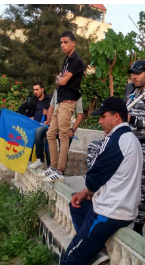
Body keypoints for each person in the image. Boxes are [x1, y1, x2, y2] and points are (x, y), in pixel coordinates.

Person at [18, 97, 142, 265]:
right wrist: (85, 192)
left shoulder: (118, 139)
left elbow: (95, 176)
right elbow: (104, 179)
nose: (100, 122)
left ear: (116, 116)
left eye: (103, 117)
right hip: (117, 207)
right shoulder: (130, 138)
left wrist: (89, 188)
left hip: (109, 214)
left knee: (71, 258)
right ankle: (94, 251)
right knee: (76, 203)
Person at [85, 61, 145, 237]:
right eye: (132, 73)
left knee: (141, 187)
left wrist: (131, 118)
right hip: (125, 144)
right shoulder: (132, 94)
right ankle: (100, 201)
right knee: (94, 149)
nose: (134, 76)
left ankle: (138, 229)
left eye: (138, 73)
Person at [44, 30, 85, 182]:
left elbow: (62, 81)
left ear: (73, 43)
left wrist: (59, 79)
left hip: (68, 103)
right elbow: (59, 80)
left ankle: (60, 171)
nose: (62, 45)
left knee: (63, 136)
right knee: (50, 134)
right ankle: (53, 167)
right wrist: (59, 79)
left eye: (66, 42)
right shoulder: (67, 60)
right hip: (60, 101)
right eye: (61, 42)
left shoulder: (76, 61)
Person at [31, 90, 83, 170]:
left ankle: (60, 171)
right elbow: (51, 108)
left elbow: (80, 115)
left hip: (67, 127)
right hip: (54, 125)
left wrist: (73, 130)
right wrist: (48, 120)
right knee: (39, 132)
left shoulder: (75, 93)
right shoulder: (57, 92)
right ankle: (41, 160)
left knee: (63, 152)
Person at [18, 82, 51, 168]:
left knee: (48, 147)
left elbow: (56, 113)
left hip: (47, 127)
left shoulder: (50, 99)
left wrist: (48, 114)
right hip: (33, 127)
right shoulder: (31, 100)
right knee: (29, 144)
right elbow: (20, 108)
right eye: (34, 90)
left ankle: (50, 166)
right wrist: (29, 117)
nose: (35, 92)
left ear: (42, 89)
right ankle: (30, 162)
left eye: (37, 89)